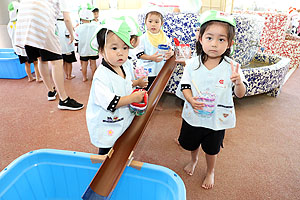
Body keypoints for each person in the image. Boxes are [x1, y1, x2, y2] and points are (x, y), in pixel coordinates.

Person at [175, 10, 247, 189]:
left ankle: (210, 171)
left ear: (229, 43)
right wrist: (191, 100)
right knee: (192, 143)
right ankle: (194, 160)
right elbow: (185, 86)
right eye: (209, 38)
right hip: (194, 114)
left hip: (217, 120)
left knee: (212, 149)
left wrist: (238, 82)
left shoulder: (232, 67)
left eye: (221, 39)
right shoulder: (192, 64)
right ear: (200, 38)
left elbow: (240, 94)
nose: (214, 44)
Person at [87, 17, 147, 155]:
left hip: (121, 119)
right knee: (107, 151)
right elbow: (112, 102)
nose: (120, 52)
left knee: (121, 144)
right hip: (106, 123)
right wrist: (133, 98)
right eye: (114, 48)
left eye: (125, 48)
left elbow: (123, 84)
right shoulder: (101, 77)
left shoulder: (123, 66)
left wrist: (136, 83)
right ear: (101, 51)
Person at [15, 0, 84, 110]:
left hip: (25, 25)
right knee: (57, 61)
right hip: (42, 22)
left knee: (41, 59)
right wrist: (72, 34)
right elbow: (67, 18)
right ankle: (64, 99)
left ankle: (51, 92)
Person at [136, 9, 174, 110]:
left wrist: (171, 52)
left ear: (162, 24)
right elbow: (139, 54)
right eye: (150, 21)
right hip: (146, 69)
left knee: (157, 86)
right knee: (146, 87)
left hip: (160, 68)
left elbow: (171, 48)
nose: (153, 24)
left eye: (157, 22)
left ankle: (154, 103)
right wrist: (151, 58)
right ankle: (143, 103)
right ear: (145, 22)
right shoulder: (142, 38)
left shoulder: (164, 37)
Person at [7, 1, 42, 82]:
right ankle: (38, 77)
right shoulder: (21, 22)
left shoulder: (10, 24)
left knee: (26, 63)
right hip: (26, 46)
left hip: (17, 48)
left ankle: (30, 77)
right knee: (35, 62)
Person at [75, 5, 99, 82]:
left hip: (83, 50)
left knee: (84, 64)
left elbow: (76, 38)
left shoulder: (79, 27)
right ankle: (94, 77)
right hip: (93, 49)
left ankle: (84, 77)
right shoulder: (96, 25)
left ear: (81, 19)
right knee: (93, 64)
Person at [57, 13, 77, 80]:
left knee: (63, 62)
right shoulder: (66, 24)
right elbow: (68, 34)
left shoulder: (55, 24)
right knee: (69, 62)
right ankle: (69, 75)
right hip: (67, 47)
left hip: (59, 49)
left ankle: (66, 74)